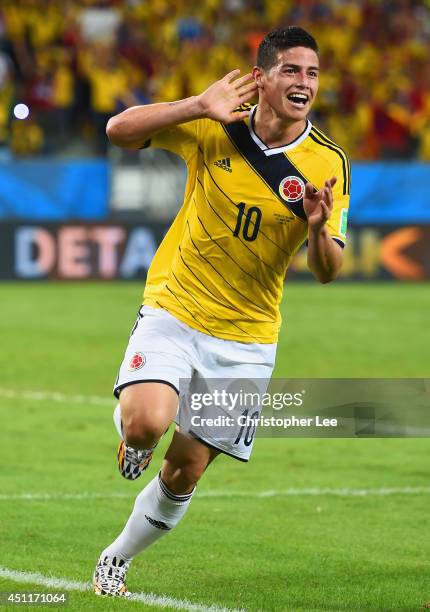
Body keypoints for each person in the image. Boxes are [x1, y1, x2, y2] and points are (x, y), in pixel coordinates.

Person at [93, 26, 351, 597]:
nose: (304, 82)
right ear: (262, 77)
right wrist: (196, 105)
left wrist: (315, 229)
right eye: (291, 70)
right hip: (175, 306)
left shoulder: (328, 161)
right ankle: (133, 441)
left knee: (185, 468)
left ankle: (116, 556)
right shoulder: (217, 124)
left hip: (247, 337)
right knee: (147, 424)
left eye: (311, 72)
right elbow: (116, 131)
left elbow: (328, 269)